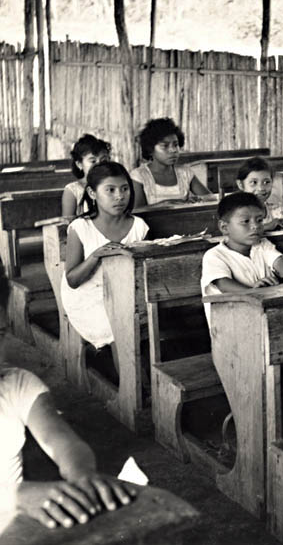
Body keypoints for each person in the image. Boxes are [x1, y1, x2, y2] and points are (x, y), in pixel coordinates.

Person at [0, 326, 136, 530]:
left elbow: (64, 442)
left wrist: (81, 473)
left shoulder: (15, 384)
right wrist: (16, 496)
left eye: (0, 334)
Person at [61, 162, 149, 378]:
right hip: (88, 296)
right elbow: (72, 280)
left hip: (126, 292)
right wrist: (96, 256)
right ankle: (133, 389)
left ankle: (144, 380)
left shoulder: (138, 226)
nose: (119, 196)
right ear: (92, 193)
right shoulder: (81, 228)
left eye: (124, 189)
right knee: (119, 326)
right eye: (110, 190)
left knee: (143, 318)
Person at [200, 192, 283, 322]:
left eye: (259, 220)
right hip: (231, 322)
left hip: (262, 315)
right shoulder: (214, 255)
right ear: (224, 227)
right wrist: (253, 293)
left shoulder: (261, 245)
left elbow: (279, 260)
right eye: (245, 221)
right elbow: (223, 284)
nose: (255, 226)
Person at [130, 117, 212, 207]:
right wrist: (162, 205)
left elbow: (210, 198)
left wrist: (197, 200)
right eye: (165, 146)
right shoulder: (139, 176)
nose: (173, 150)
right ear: (150, 149)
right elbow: (136, 211)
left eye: (176, 145)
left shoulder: (185, 173)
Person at [235, 157, 283, 231]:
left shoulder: (276, 210)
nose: (261, 188)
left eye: (266, 182)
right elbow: (234, 232)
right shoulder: (235, 211)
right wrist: (266, 227)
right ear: (240, 184)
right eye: (254, 183)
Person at [61, 134, 111, 217]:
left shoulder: (115, 185)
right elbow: (68, 224)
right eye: (93, 161)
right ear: (79, 164)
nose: (99, 165)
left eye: (104, 160)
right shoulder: (73, 190)